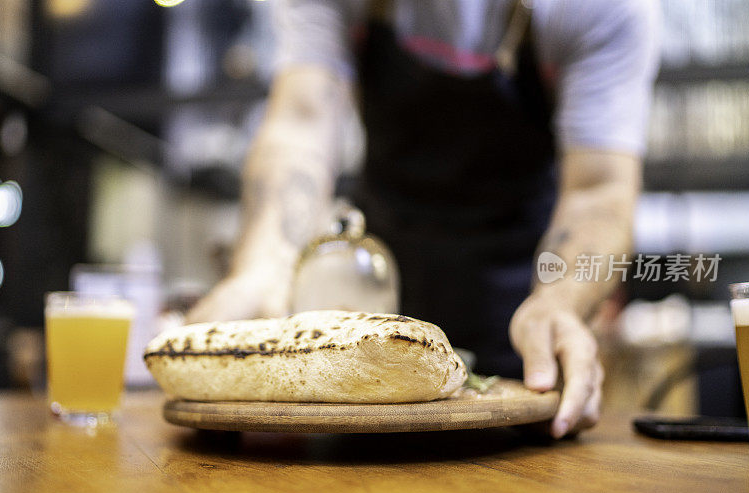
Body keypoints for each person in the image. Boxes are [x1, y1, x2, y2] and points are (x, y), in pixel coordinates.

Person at [188, 0, 660, 438]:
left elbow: (599, 188)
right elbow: (301, 122)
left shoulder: (600, 8)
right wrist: (262, 269)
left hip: (519, 304)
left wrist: (563, 304)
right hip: (378, 297)